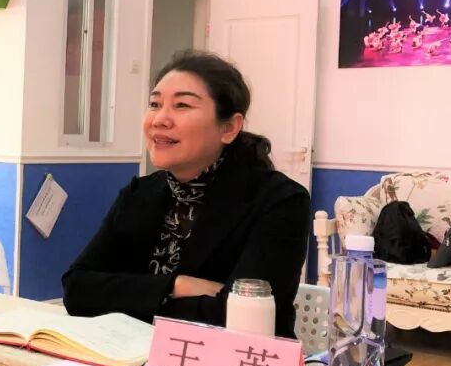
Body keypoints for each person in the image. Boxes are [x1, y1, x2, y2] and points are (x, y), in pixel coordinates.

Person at [62, 51, 310, 338]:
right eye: (155, 104)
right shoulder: (139, 193)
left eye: (182, 105)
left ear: (229, 127)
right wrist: (177, 286)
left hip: (231, 361)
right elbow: (77, 289)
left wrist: (124, 298)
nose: (160, 119)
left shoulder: (279, 201)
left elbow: (237, 318)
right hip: (132, 355)